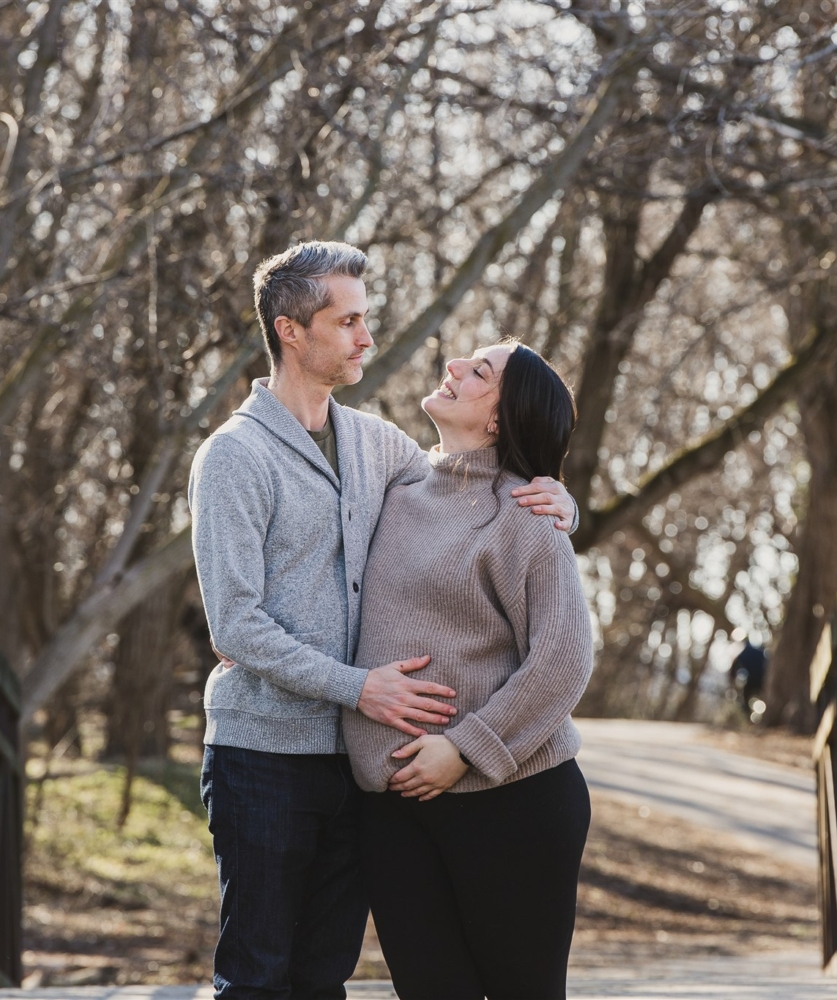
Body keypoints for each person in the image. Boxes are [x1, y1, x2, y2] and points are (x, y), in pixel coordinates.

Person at [187, 241, 579, 1000]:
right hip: (263, 754)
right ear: (291, 331)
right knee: (259, 979)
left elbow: (479, 480)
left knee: (322, 978)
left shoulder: (379, 446)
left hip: (354, 772)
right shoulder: (233, 457)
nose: (368, 337)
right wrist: (361, 689)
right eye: (349, 321)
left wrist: (559, 497)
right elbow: (234, 623)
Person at [344, 341, 593, 1000]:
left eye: (479, 371)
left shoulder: (526, 516)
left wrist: (464, 748)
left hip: (513, 804)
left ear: (499, 422)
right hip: (394, 812)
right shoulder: (393, 486)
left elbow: (563, 657)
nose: (454, 365)